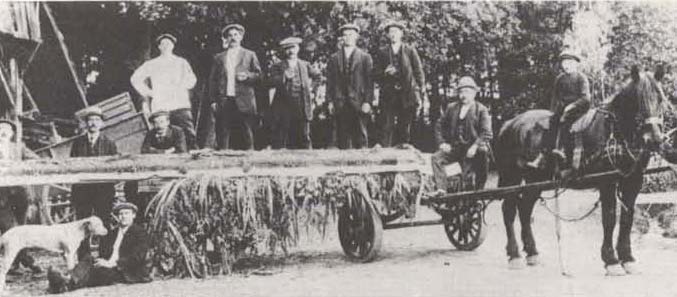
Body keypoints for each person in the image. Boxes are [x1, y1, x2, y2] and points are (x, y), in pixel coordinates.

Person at [47, 202, 151, 293]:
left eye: (126, 213)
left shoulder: (140, 233)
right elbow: (103, 252)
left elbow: (137, 257)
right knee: (89, 259)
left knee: (98, 274)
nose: (123, 216)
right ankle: (68, 281)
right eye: (120, 214)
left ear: (133, 215)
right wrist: (100, 261)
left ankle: (66, 283)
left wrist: (112, 264)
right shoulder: (112, 233)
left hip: (126, 270)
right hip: (108, 265)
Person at [131, 33, 198, 150]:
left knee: (187, 131)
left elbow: (192, 79)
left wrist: (182, 87)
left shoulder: (181, 62)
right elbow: (135, 79)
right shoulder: (152, 64)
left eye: (169, 43)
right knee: (162, 133)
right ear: (159, 47)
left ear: (173, 46)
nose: (166, 46)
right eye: (163, 44)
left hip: (179, 103)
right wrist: (148, 92)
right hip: (161, 104)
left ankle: (194, 156)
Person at [526, 49, 590, 169]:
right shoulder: (560, 79)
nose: (566, 66)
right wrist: (554, 111)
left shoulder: (581, 78)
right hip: (563, 110)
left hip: (579, 110)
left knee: (567, 122)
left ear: (575, 64)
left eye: (569, 63)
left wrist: (572, 106)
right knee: (550, 124)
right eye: (564, 63)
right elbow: (555, 98)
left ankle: (563, 150)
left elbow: (586, 98)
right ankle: (543, 154)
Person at [69, 107, 118, 259]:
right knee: (81, 224)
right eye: (90, 120)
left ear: (102, 124)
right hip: (83, 191)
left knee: (104, 221)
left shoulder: (109, 143)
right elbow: (72, 164)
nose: (93, 123)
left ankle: (105, 256)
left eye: (97, 120)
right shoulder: (78, 143)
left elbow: (115, 165)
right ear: (86, 124)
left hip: (103, 190)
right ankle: (84, 257)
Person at [431, 76, 492, 194]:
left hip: (473, 149)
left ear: (474, 93)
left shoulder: (481, 109)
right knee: (436, 158)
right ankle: (441, 189)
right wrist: (442, 143)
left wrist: (474, 147)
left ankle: (479, 191)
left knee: (481, 156)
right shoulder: (451, 108)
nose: (463, 95)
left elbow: (486, 132)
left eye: (467, 92)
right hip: (456, 148)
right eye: (461, 92)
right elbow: (439, 125)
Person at [125, 110, 186, 221]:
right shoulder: (151, 134)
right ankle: (141, 215)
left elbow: (181, 151)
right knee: (132, 185)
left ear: (168, 122)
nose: (159, 125)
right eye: (156, 123)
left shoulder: (177, 132)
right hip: (155, 169)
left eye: (162, 122)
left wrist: (156, 151)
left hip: (173, 169)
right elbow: (144, 151)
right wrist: (164, 152)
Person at [208, 24, 262, 150]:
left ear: (241, 37)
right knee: (223, 131)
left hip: (244, 99)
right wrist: (213, 100)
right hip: (225, 99)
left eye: (236, 35)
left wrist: (247, 76)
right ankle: (223, 157)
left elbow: (259, 75)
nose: (233, 37)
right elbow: (213, 80)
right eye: (230, 35)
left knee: (246, 130)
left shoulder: (249, 54)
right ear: (226, 38)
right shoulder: (219, 57)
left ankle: (250, 157)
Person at [0, 119, 42, 274]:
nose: (3, 132)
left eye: (6, 130)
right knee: (11, 229)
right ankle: (27, 261)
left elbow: (36, 160)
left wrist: (23, 168)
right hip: (1, 198)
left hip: (20, 195)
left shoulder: (19, 148)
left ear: (11, 134)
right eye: (0, 129)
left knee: (22, 229)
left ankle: (15, 263)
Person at [374, 20, 425, 147]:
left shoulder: (410, 51)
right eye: (390, 32)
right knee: (386, 125)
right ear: (387, 35)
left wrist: (420, 90)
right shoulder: (382, 52)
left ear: (401, 33)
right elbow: (375, 74)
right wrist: (385, 72)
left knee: (405, 124)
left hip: (406, 93)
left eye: (396, 32)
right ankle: (386, 153)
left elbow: (418, 72)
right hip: (389, 94)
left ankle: (405, 154)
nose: (393, 35)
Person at [326, 23, 374, 149]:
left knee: (360, 136)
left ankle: (363, 166)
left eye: (351, 35)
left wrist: (368, 102)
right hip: (340, 101)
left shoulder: (365, 57)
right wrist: (330, 101)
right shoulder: (334, 58)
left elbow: (370, 82)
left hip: (358, 101)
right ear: (342, 38)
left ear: (356, 37)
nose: (348, 37)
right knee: (342, 136)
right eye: (345, 35)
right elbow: (330, 82)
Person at [269, 37, 322, 149]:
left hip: (301, 103)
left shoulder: (305, 64)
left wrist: (312, 90)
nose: (291, 51)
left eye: (293, 47)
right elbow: (270, 82)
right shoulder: (277, 66)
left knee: (304, 134)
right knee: (282, 134)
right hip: (284, 104)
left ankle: (307, 160)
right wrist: (284, 77)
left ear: (297, 49)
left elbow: (318, 76)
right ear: (284, 50)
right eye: (287, 48)